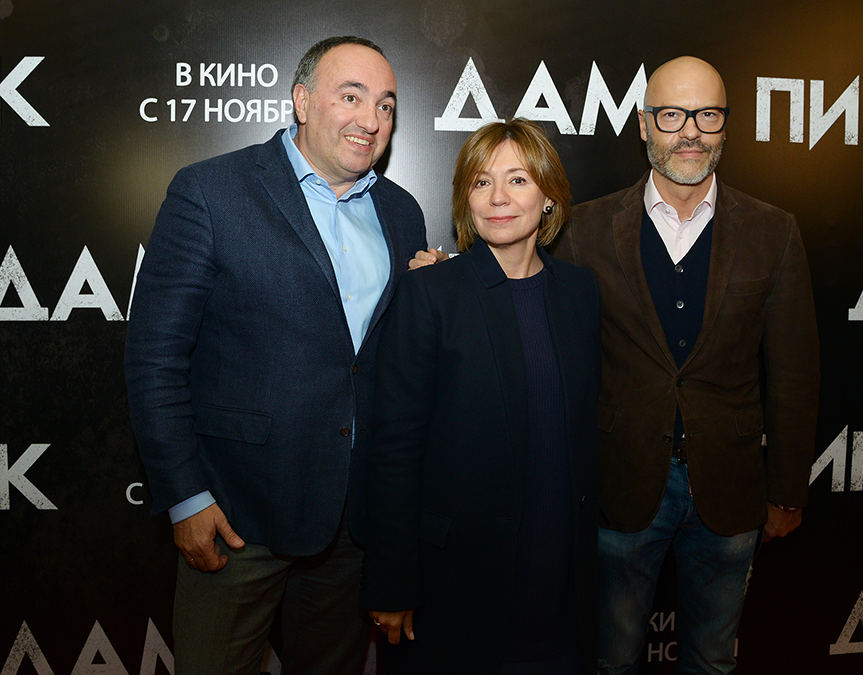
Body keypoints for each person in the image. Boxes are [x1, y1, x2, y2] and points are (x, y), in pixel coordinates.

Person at [413, 56, 819, 674]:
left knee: (714, 661)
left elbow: (793, 372)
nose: (690, 131)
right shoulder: (586, 227)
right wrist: (448, 275)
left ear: (726, 125)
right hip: (617, 487)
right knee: (609, 659)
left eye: (707, 115)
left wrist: (787, 489)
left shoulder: (774, 231)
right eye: (672, 115)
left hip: (732, 489)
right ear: (645, 125)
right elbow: (518, 281)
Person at [124, 36, 427, 675]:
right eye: (351, 97)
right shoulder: (211, 190)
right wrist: (186, 497)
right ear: (302, 101)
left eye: (386, 105)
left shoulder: (401, 212)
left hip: (350, 523)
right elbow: (155, 357)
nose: (371, 119)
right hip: (238, 514)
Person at [362, 118, 602, 675]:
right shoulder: (429, 292)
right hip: (458, 587)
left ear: (549, 196)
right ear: (464, 199)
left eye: (518, 180)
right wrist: (392, 580)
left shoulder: (579, 291)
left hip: (562, 579)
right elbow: (394, 449)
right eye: (481, 182)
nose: (497, 198)